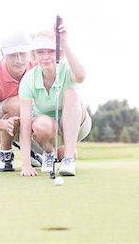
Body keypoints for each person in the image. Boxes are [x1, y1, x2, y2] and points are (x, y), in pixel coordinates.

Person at [19, 17, 92, 177]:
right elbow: (25, 126)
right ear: (33, 56)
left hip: (77, 124)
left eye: (50, 51)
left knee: (71, 94)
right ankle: (49, 154)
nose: (45, 56)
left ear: (59, 53)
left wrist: (64, 42)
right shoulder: (28, 80)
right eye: (40, 52)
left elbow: (80, 76)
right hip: (46, 129)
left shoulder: (67, 70)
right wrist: (25, 164)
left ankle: (68, 158)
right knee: (41, 124)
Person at [0, 31, 43, 172]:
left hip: (28, 121)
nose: (18, 60)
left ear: (30, 52)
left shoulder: (39, 68)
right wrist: (4, 124)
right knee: (18, 104)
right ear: (3, 54)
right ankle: (5, 154)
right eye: (13, 55)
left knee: (61, 155)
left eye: (22, 54)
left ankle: (30, 152)